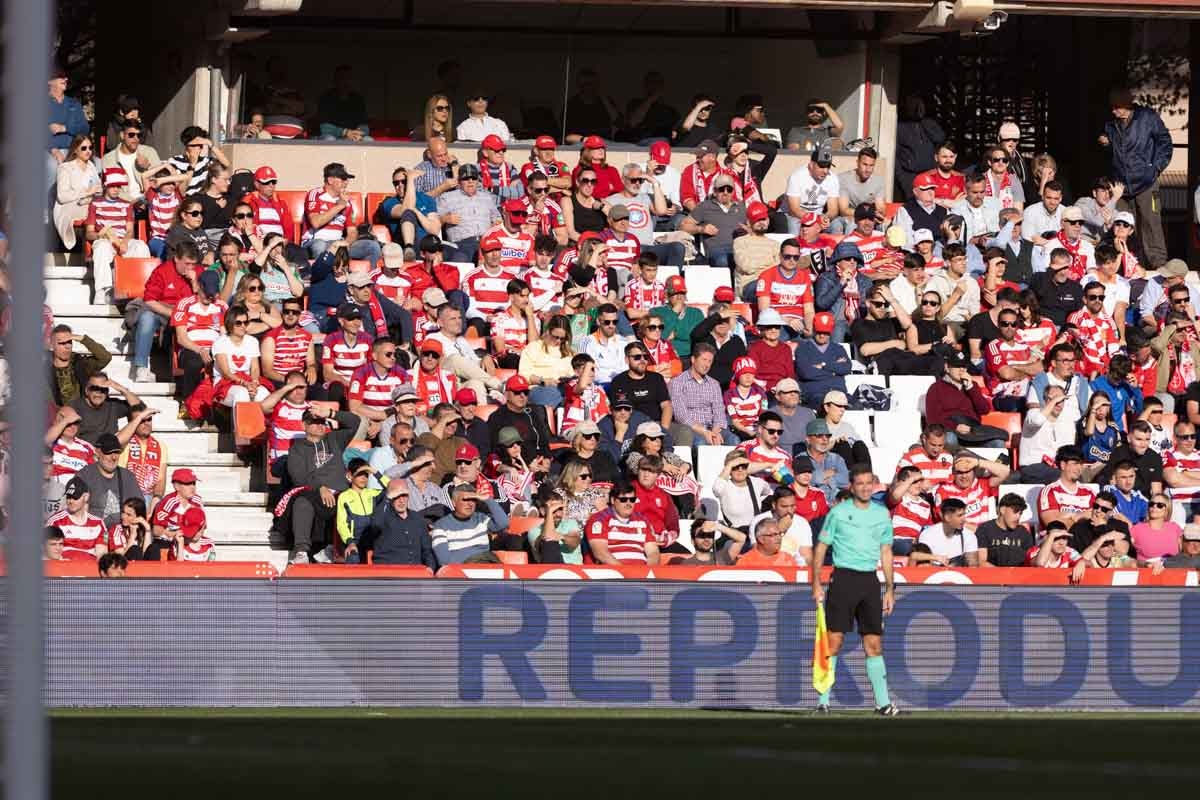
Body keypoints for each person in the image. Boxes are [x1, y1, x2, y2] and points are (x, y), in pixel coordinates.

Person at [812, 464, 898, 715]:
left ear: (874, 484)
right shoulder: (838, 512)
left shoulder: (882, 514)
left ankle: (883, 703)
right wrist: (816, 583)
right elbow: (821, 547)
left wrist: (890, 589)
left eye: (868, 483)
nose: (865, 487)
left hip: (870, 582)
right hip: (843, 579)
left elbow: (886, 551)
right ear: (851, 486)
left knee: (874, 643)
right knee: (834, 641)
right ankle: (823, 701)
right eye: (859, 483)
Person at [283, 408, 368, 563]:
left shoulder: (334, 438)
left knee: (349, 499)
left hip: (341, 492)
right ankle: (301, 552)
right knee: (302, 502)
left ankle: (332, 549)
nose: (320, 425)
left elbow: (355, 422)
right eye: (314, 422)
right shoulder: (297, 448)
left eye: (322, 422)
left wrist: (330, 413)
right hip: (314, 492)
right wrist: (321, 487)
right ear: (304, 426)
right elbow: (299, 477)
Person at [1101, 87, 1171, 268]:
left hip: (1146, 181)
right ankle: (1130, 264)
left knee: (1151, 224)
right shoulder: (1111, 123)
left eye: (1117, 107)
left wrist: (1155, 168)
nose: (1113, 111)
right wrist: (1106, 142)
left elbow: (1165, 142)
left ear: (1127, 105)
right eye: (1112, 107)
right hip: (1122, 186)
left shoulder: (1147, 118)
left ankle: (1158, 267)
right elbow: (1115, 151)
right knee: (1125, 226)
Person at [851, 284, 942, 377]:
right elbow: (865, 350)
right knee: (891, 356)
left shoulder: (891, 322)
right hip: (882, 362)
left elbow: (908, 324)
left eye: (886, 304)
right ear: (868, 303)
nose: (883, 308)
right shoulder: (859, 323)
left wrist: (892, 300)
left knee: (936, 361)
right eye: (878, 304)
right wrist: (895, 343)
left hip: (902, 360)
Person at [667, 343, 735, 446]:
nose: (707, 364)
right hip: (691, 429)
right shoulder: (677, 382)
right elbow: (681, 415)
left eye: (710, 361)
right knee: (701, 442)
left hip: (713, 428)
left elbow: (719, 411)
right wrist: (704, 431)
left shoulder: (714, 384)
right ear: (693, 359)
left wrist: (715, 432)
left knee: (733, 440)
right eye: (704, 360)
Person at [429, 483, 510, 565]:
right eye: (465, 500)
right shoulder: (441, 526)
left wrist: (488, 499)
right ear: (454, 502)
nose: (470, 504)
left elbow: (503, 523)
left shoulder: (480, 518)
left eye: (473, 500)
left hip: (486, 563)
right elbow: (444, 561)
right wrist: (471, 559)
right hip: (461, 571)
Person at [585, 479, 660, 565]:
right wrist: (626, 573)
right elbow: (601, 553)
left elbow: (653, 552)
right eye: (623, 499)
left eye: (632, 500)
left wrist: (649, 572)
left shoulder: (642, 520)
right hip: (614, 574)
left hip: (641, 573)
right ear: (613, 500)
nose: (628, 503)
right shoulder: (599, 520)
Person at [681, 172, 746, 270]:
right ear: (715, 191)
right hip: (718, 250)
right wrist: (701, 229)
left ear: (733, 192)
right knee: (723, 261)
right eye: (721, 189)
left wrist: (748, 230)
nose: (725, 192)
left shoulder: (741, 207)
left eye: (729, 189)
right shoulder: (705, 206)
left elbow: (754, 227)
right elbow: (683, 226)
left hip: (741, 248)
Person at [754, 240, 815, 339]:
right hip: (775, 323)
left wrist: (809, 328)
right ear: (780, 256)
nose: (792, 260)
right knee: (783, 334)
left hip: (799, 323)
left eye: (796, 257)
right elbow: (764, 310)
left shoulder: (805, 277)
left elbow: (809, 311)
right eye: (787, 257)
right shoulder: (767, 275)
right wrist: (787, 321)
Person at [52, 134, 101, 251]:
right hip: (70, 207)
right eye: (84, 148)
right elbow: (62, 196)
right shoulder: (65, 168)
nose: (88, 151)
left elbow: (97, 189)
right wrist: (86, 192)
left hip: (89, 204)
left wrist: (98, 191)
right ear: (75, 150)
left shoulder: (92, 167)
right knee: (92, 211)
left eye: (90, 147)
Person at [69, 373, 146, 446]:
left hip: (110, 453)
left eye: (103, 389)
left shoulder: (113, 404)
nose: (99, 393)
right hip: (85, 453)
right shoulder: (74, 407)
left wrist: (122, 389)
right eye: (94, 388)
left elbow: (141, 408)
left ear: (107, 392)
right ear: (86, 390)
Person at [47, 67, 89, 190]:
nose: (65, 79)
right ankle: (46, 208)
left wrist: (64, 128)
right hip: (49, 151)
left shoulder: (73, 104)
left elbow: (85, 128)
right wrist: (53, 150)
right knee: (51, 166)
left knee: (97, 164)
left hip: (74, 150)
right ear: (49, 82)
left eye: (65, 77)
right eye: (60, 76)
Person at [45, 477, 106, 560]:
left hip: (90, 570)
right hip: (63, 570)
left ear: (86, 497)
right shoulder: (55, 522)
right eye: (68, 497)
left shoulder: (98, 523)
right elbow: (48, 553)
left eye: (75, 497)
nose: (71, 501)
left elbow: (102, 554)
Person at [784, 143, 840, 235]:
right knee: (794, 225)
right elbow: (794, 210)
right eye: (821, 166)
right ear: (811, 165)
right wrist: (814, 219)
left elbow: (833, 209)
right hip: (796, 216)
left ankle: (832, 249)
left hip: (818, 216)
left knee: (836, 225)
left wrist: (825, 217)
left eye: (828, 166)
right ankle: (794, 248)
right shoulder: (797, 177)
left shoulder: (833, 178)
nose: (825, 171)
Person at [1037, 445, 1096, 529]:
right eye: (1075, 464)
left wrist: (1066, 517)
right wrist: (1078, 517)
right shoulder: (1050, 491)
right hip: (1059, 539)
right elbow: (1054, 526)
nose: (1079, 468)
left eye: (1081, 464)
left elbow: (1098, 520)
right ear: (1063, 465)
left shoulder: (1090, 492)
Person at [910, 498, 979, 567]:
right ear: (947, 517)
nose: (964, 519)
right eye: (959, 515)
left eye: (964, 515)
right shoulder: (928, 534)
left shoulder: (968, 535)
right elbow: (918, 560)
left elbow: (973, 566)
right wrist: (938, 559)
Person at [975, 493, 1034, 567]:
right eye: (1015, 511)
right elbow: (981, 562)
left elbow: (1031, 560)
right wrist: (1003, 574)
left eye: (1020, 513)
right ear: (1002, 510)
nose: (1018, 517)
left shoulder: (1023, 533)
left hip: (1020, 576)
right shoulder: (984, 530)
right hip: (992, 576)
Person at [317, 65, 370, 141]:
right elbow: (324, 127)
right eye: (342, 78)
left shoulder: (358, 99)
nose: (346, 81)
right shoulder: (326, 98)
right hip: (334, 135)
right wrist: (345, 132)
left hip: (353, 136)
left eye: (348, 78)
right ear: (335, 80)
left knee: (368, 140)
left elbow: (364, 124)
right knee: (329, 139)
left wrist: (359, 133)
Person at [746, 309, 795, 392]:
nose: (773, 330)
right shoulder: (754, 348)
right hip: (763, 389)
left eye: (777, 327)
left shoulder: (786, 348)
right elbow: (753, 374)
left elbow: (790, 375)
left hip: (783, 389)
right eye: (769, 327)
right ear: (762, 328)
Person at [804, 419, 850, 503]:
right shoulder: (801, 459)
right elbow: (802, 482)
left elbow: (845, 481)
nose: (825, 439)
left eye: (828, 435)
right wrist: (825, 474)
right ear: (808, 439)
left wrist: (826, 479)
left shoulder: (837, 458)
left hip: (836, 505)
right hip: (813, 505)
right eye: (819, 435)